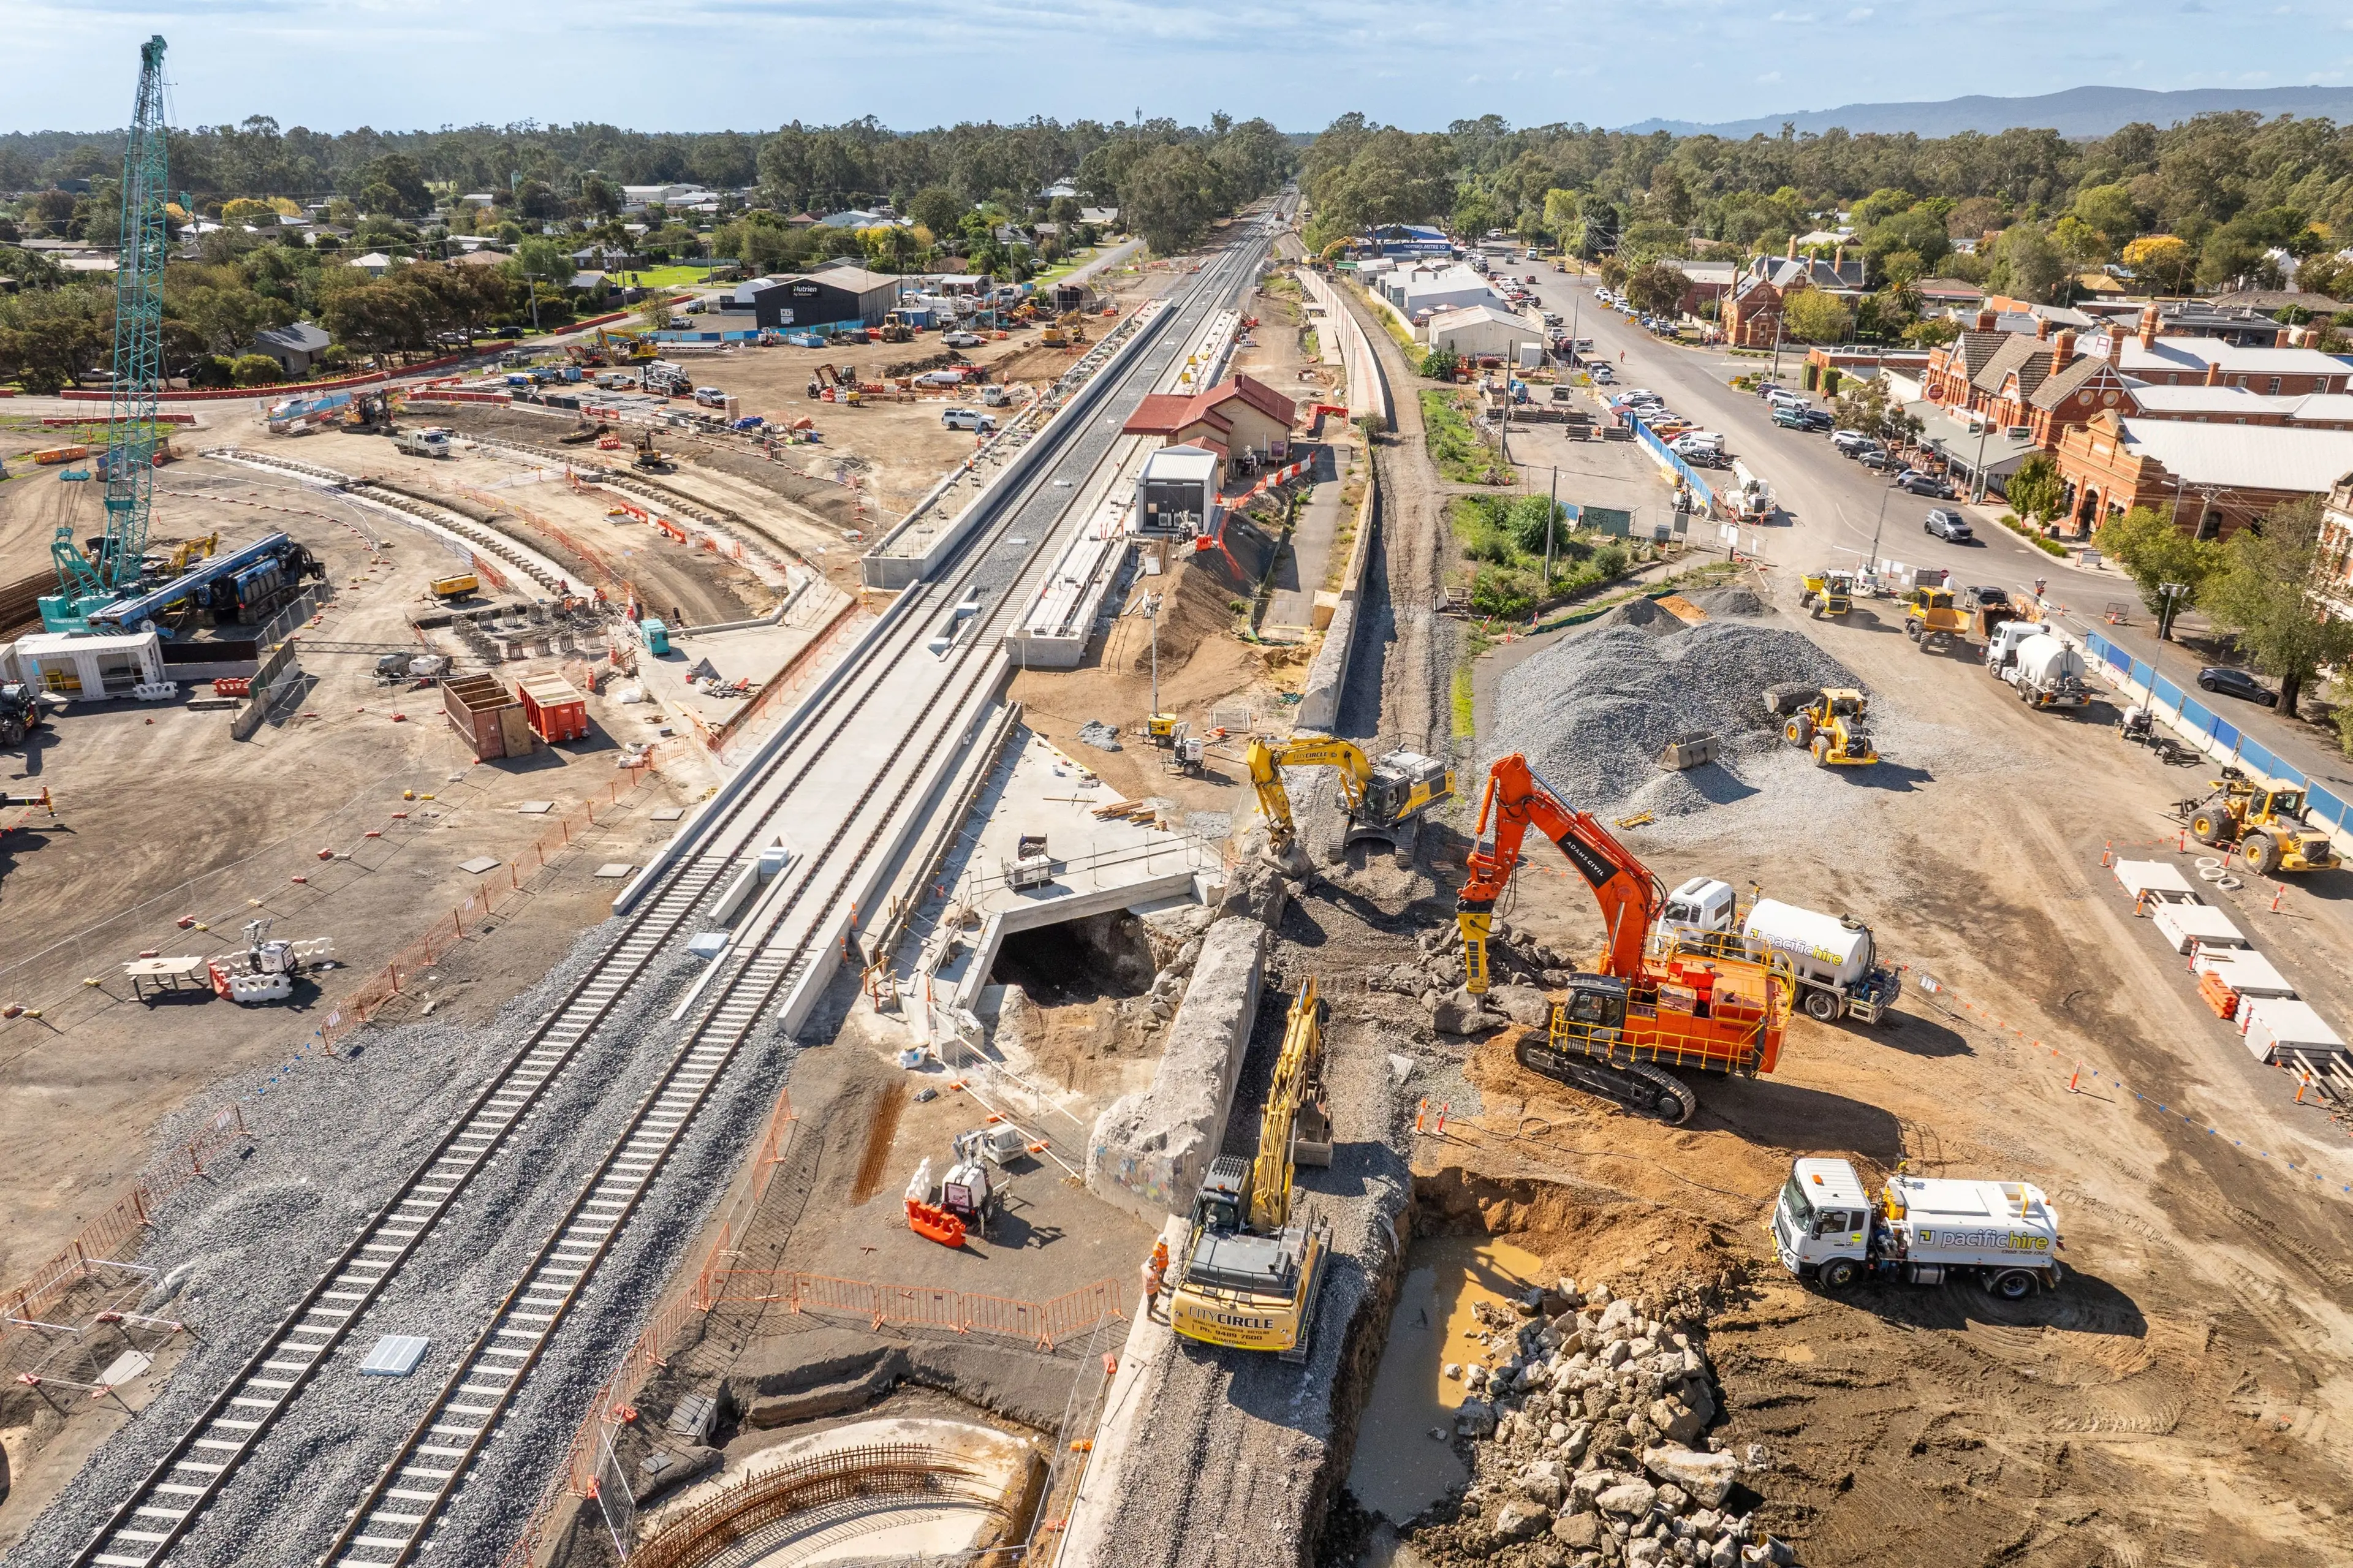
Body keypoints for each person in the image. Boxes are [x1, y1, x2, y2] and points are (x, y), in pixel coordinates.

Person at [1142, 1238, 1170, 1317]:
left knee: (1150, 1300)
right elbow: (1156, 1284)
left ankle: (1152, 1307)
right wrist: (1159, 1289)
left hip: (1148, 1288)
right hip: (1151, 1290)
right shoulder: (1153, 1274)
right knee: (1151, 1301)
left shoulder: (1144, 1268)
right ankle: (1149, 1316)